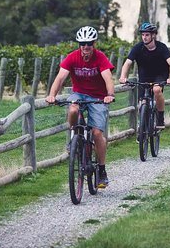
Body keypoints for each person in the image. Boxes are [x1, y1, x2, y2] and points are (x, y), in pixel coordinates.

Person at [45, 26, 116, 189]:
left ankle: (102, 171)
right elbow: (60, 78)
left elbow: (108, 78)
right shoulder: (72, 57)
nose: (86, 47)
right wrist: (51, 94)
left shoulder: (100, 57)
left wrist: (110, 94)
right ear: (79, 44)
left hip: (98, 97)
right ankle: (73, 137)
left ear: (94, 44)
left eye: (89, 44)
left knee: (97, 133)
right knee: (73, 109)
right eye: (83, 44)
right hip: (79, 94)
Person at [118, 22, 170, 130]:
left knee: (156, 90)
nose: (144, 37)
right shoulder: (138, 48)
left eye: (147, 35)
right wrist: (123, 77)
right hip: (144, 76)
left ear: (153, 35)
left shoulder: (162, 47)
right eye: (143, 35)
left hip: (160, 74)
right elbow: (127, 63)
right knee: (142, 103)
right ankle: (143, 129)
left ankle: (160, 117)